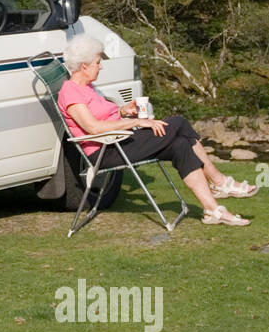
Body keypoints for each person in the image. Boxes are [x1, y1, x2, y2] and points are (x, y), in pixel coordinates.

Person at [56, 36, 256, 226]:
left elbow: (104, 116)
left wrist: (123, 110)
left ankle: (212, 210)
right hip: (106, 151)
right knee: (178, 122)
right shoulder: (71, 92)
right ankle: (219, 181)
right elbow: (93, 127)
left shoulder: (88, 87)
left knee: (180, 145)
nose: (101, 66)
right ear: (84, 65)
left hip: (119, 141)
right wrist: (140, 123)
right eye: (98, 62)